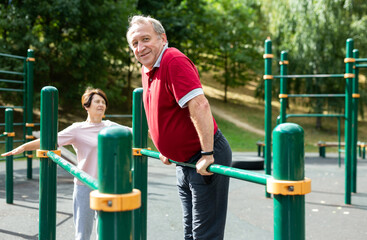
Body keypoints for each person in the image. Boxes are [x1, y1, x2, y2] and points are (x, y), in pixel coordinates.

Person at [127, 15, 232, 240]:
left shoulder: (173, 60)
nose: (140, 47)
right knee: (190, 233)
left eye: (146, 39)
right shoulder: (148, 70)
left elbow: (200, 105)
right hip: (183, 162)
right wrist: (164, 149)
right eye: (135, 43)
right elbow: (160, 112)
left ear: (162, 38)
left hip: (203, 157)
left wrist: (207, 153)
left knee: (204, 235)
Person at [2, 88, 129, 240]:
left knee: (106, 233)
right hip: (85, 185)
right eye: (97, 101)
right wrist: (23, 147)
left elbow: (137, 132)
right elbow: (50, 140)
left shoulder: (110, 126)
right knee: (83, 234)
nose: (101, 104)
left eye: (103, 102)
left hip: (107, 185)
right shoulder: (77, 129)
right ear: (86, 106)